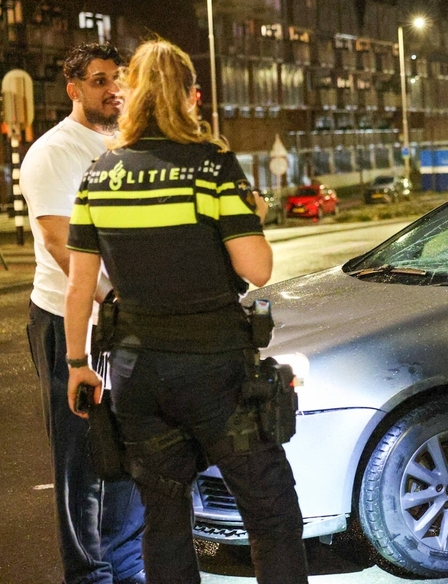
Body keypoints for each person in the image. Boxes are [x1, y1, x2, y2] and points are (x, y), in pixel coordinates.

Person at [62, 38, 308, 584]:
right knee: (271, 512)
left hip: (136, 375)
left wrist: (77, 363)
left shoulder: (100, 173)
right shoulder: (210, 166)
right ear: (190, 97)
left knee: (165, 517)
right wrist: (247, 210)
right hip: (215, 372)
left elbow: (78, 286)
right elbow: (257, 268)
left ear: (131, 95)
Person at [21, 43, 146, 584]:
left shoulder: (131, 143)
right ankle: (90, 574)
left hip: (127, 321)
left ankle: (126, 564)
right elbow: (56, 240)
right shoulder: (54, 152)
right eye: (98, 80)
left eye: (118, 78)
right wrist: (109, 299)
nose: (112, 88)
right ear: (74, 90)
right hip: (69, 320)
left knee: (129, 445)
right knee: (81, 457)